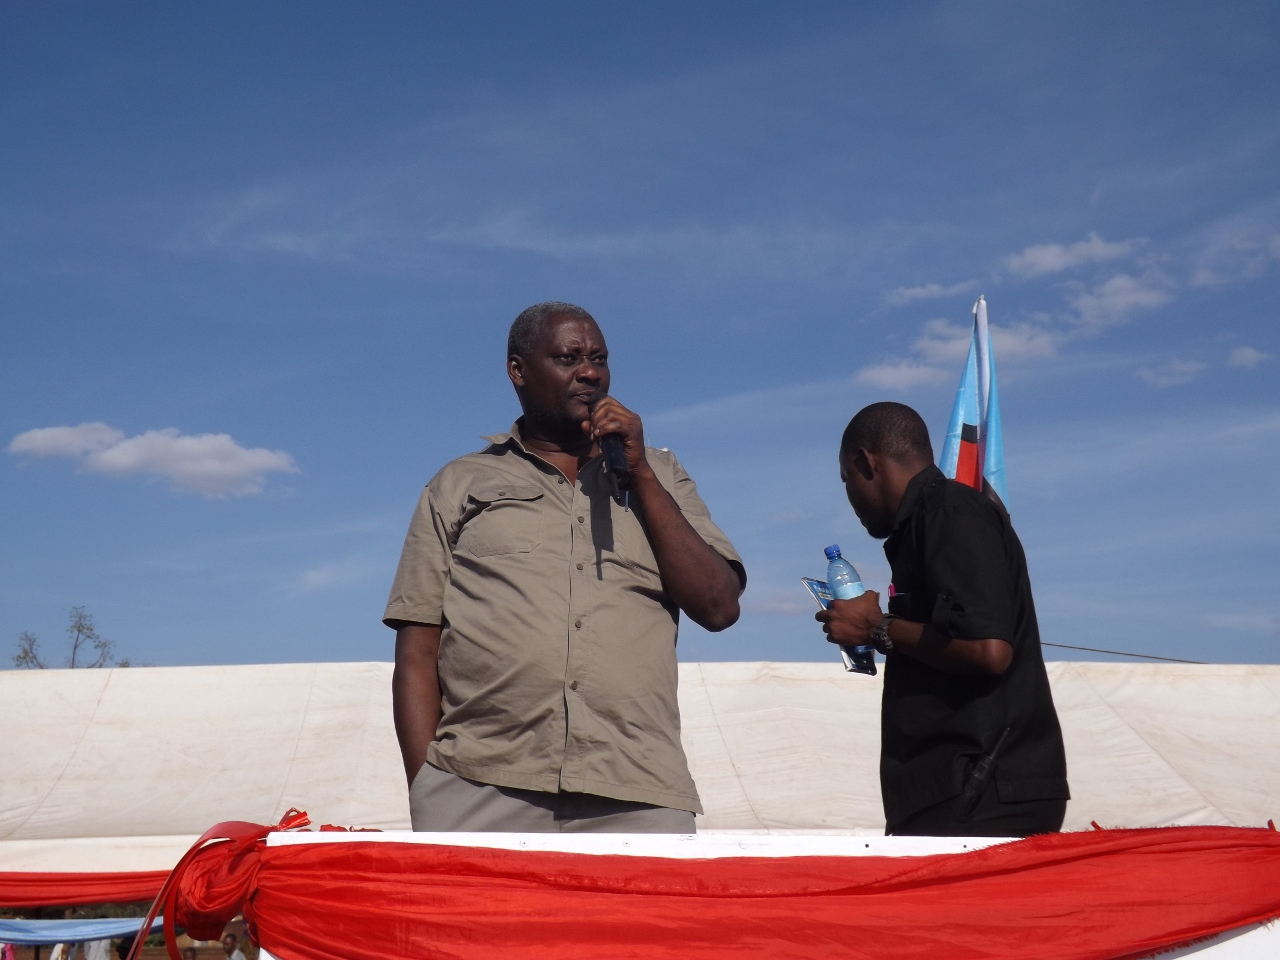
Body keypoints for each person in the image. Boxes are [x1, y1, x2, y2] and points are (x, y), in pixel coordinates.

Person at [387, 301, 746, 833]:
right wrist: (429, 791)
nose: (590, 372)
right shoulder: (459, 484)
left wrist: (641, 474)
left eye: (599, 358)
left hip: (636, 787)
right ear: (518, 370)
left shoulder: (662, 474)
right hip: (477, 786)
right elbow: (417, 651)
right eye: (568, 358)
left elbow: (719, 607)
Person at [817, 402, 1068, 837]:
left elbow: (989, 650)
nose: (849, 494)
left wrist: (876, 628)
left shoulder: (950, 512)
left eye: (846, 479)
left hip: (982, 789)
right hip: (961, 790)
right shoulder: (928, 521)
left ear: (865, 462)